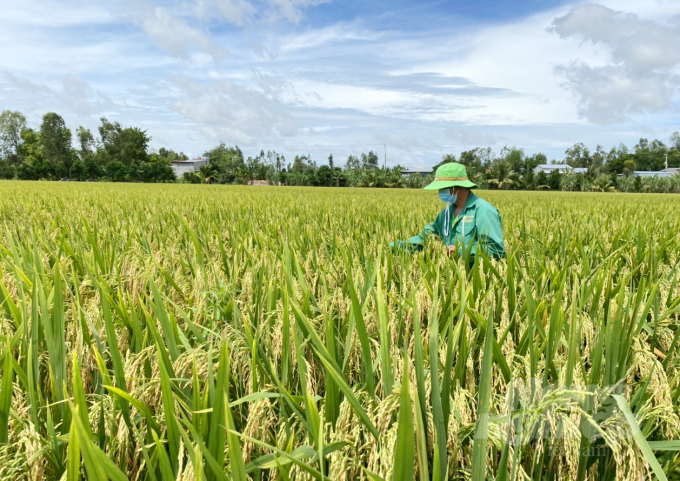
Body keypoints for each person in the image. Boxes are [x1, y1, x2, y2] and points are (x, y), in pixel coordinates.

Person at [392, 162, 505, 262]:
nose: (440, 192)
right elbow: (424, 239)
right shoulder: (446, 213)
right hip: (450, 277)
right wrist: (392, 246)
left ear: (456, 187)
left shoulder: (484, 211)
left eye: (443, 188)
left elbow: (495, 250)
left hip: (474, 280)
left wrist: (461, 251)